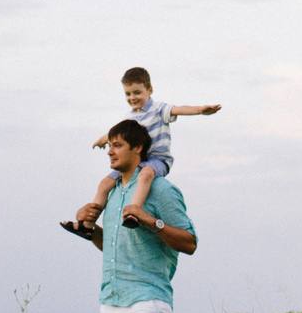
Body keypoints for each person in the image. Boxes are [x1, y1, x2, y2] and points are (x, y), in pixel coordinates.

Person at [72, 120, 197, 313]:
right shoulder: (113, 193)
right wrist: (89, 229)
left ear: (138, 148)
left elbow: (189, 243)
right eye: (109, 146)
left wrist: (152, 221)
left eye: (117, 146)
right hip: (110, 301)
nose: (110, 151)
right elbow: (116, 247)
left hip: (147, 301)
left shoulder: (161, 189)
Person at [76, 67, 219, 235]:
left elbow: (179, 109)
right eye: (128, 94)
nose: (132, 98)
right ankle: (88, 224)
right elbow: (117, 133)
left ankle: (133, 212)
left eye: (137, 92)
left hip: (157, 159)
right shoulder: (129, 117)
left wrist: (200, 110)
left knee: (145, 174)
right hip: (136, 161)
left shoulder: (158, 109)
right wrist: (103, 139)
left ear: (149, 90)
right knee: (105, 183)